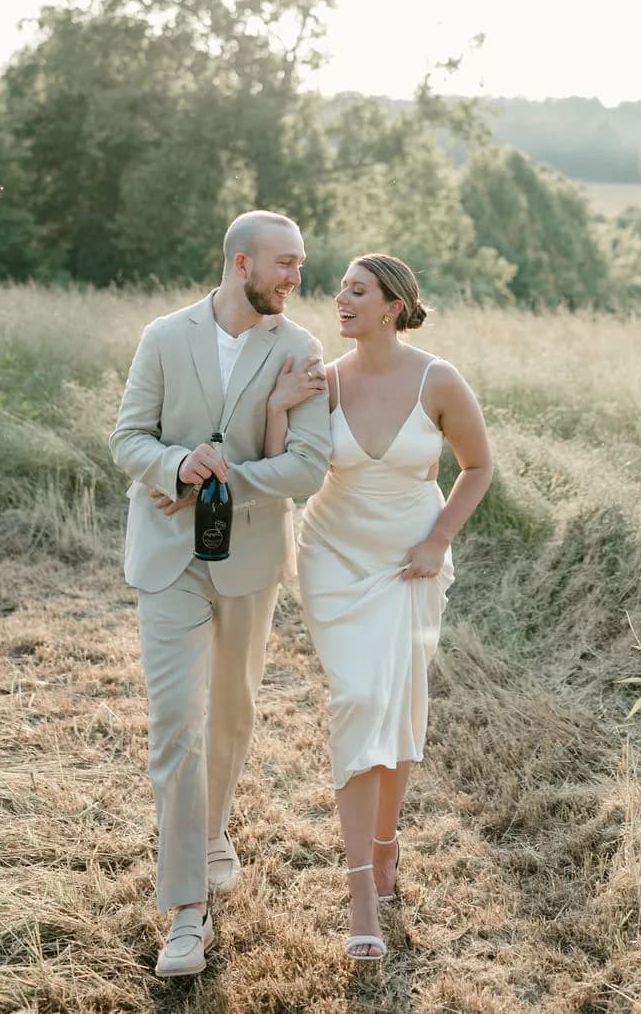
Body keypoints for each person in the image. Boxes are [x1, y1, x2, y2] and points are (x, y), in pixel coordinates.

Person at [109, 210, 331, 978]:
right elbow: (126, 439)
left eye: (298, 265)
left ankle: (210, 833)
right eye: (285, 263)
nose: (296, 278)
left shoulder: (300, 349)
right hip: (168, 556)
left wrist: (225, 477)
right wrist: (176, 466)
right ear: (242, 262)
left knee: (230, 715)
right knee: (176, 723)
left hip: (251, 558)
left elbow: (308, 464)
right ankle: (186, 910)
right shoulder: (163, 336)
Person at [264, 253, 492, 962]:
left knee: (398, 703)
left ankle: (386, 844)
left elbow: (478, 465)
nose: (341, 298)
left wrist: (437, 539)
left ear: (394, 304)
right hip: (333, 556)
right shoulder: (324, 382)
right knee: (360, 696)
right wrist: (278, 409)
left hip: (411, 560)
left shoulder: (439, 379)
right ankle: (362, 888)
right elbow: (287, 471)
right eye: (341, 288)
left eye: (357, 290)